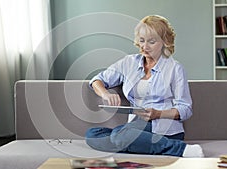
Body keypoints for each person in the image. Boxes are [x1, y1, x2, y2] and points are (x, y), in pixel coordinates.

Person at [85, 15, 204, 157]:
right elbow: (97, 80)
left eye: (151, 42)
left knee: (121, 135)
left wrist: (158, 113)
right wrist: (105, 94)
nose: (144, 47)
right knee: (92, 134)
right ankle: (139, 143)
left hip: (165, 128)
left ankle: (180, 149)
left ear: (164, 42)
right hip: (136, 127)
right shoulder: (129, 63)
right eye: (141, 41)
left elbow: (185, 109)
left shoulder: (175, 68)